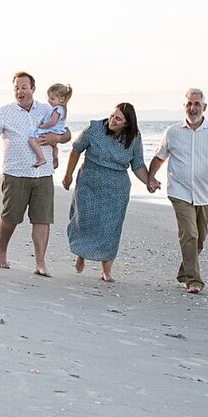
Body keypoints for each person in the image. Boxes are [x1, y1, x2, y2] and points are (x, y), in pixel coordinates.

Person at [0, 71, 71, 276]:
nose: (20, 91)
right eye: (16, 88)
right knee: (11, 217)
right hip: (15, 172)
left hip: (44, 173)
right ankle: (1, 250)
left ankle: (40, 262)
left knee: (42, 219)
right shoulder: (4, 111)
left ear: (32, 89)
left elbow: (66, 134)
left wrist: (56, 139)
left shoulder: (48, 109)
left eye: (23, 87)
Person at [147, 88, 208, 294]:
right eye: (189, 104)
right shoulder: (173, 132)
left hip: (204, 193)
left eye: (196, 104)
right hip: (179, 191)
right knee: (190, 234)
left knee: (200, 237)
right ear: (184, 106)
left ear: (204, 107)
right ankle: (194, 280)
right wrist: (151, 178)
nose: (192, 108)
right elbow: (159, 157)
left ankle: (185, 271)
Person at [62, 103, 152, 282]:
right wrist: (68, 175)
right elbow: (76, 149)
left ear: (127, 123)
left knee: (111, 228)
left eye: (118, 118)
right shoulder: (95, 128)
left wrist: (150, 181)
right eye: (112, 116)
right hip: (89, 182)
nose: (112, 120)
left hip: (116, 189)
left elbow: (138, 165)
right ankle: (81, 253)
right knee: (85, 221)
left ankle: (106, 270)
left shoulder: (134, 138)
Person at [29, 83, 72, 169]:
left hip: (50, 130)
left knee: (32, 141)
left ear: (62, 99)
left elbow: (52, 122)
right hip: (56, 131)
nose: (49, 101)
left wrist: (43, 126)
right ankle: (55, 159)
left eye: (52, 98)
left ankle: (41, 158)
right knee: (54, 146)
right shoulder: (62, 109)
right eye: (48, 98)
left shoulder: (57, 109)